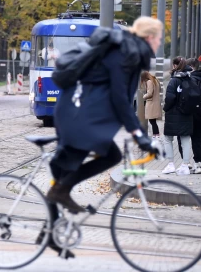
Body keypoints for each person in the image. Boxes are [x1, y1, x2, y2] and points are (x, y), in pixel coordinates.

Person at [47, 16, 163, 215]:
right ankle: (60, 196)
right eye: (159, 38)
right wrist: (138, 133)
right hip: (79, 116)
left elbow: (120, 99)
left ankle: (50, 231)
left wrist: (138, 133)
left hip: (77, 112)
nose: (159, 42)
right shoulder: (125, 53)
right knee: (109, 156)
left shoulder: (128, 50)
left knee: (64, 173)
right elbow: (120, 98)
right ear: (150, 37)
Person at [161, 56, 194, 175]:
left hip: (173, 114)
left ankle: (170, 164)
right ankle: (185, 165)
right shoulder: (191, 78)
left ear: (175, 66)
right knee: (185, 139)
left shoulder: (174, 80)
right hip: (187, 113)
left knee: (168, 139)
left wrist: (165, 108)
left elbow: (170, 97)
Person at [186, 58, 201, 174]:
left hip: (194, 114)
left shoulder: (190, 79)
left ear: (191, 67)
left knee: (192, 138)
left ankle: (194, 163)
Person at [141, 71, 162, 139]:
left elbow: (150, 93)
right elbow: (159, 90)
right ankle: (156, 134)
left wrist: (144, 96)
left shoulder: (149, 82)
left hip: (151, 103)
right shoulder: (155, 80)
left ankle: (156, 134)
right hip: (155, 102)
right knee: (153, 120)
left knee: (152, 120)